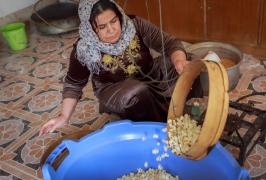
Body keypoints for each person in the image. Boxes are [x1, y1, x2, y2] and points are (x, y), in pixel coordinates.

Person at [39, 0, 197, 136]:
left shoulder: (133, 25)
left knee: (189, 62)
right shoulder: (84, 49)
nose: (111, 30)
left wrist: (179, 61)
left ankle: (189, 111)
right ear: (91, 29)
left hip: (149, 75)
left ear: (120, 16)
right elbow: (73, 84)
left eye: (114, 21)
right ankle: (162, 129)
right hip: (116, 89)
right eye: (102, 27)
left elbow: (169, 43)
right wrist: (64, 116)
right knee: (137, 91)